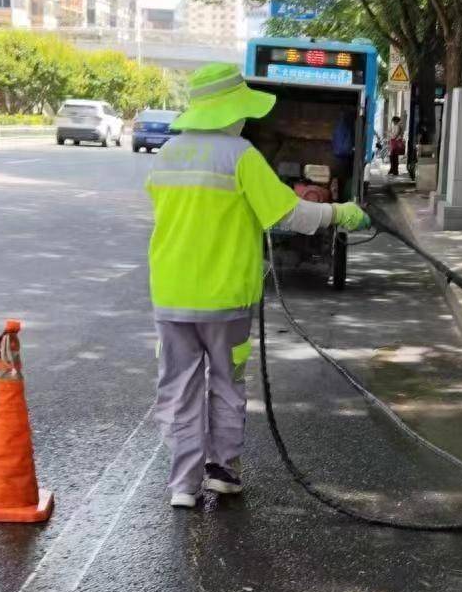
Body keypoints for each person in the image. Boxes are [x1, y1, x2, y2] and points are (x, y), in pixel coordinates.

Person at [145, 62, 369, 509]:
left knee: (179, 386)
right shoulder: (240, 155)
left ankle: (182, 486)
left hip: (171, 295)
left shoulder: (167, 155)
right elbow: (291, 215)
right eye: (243, 111)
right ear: (231, 112)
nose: (246, 119)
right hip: (225, 297)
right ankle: (223, 472)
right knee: (226, 383)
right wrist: (341, 213)